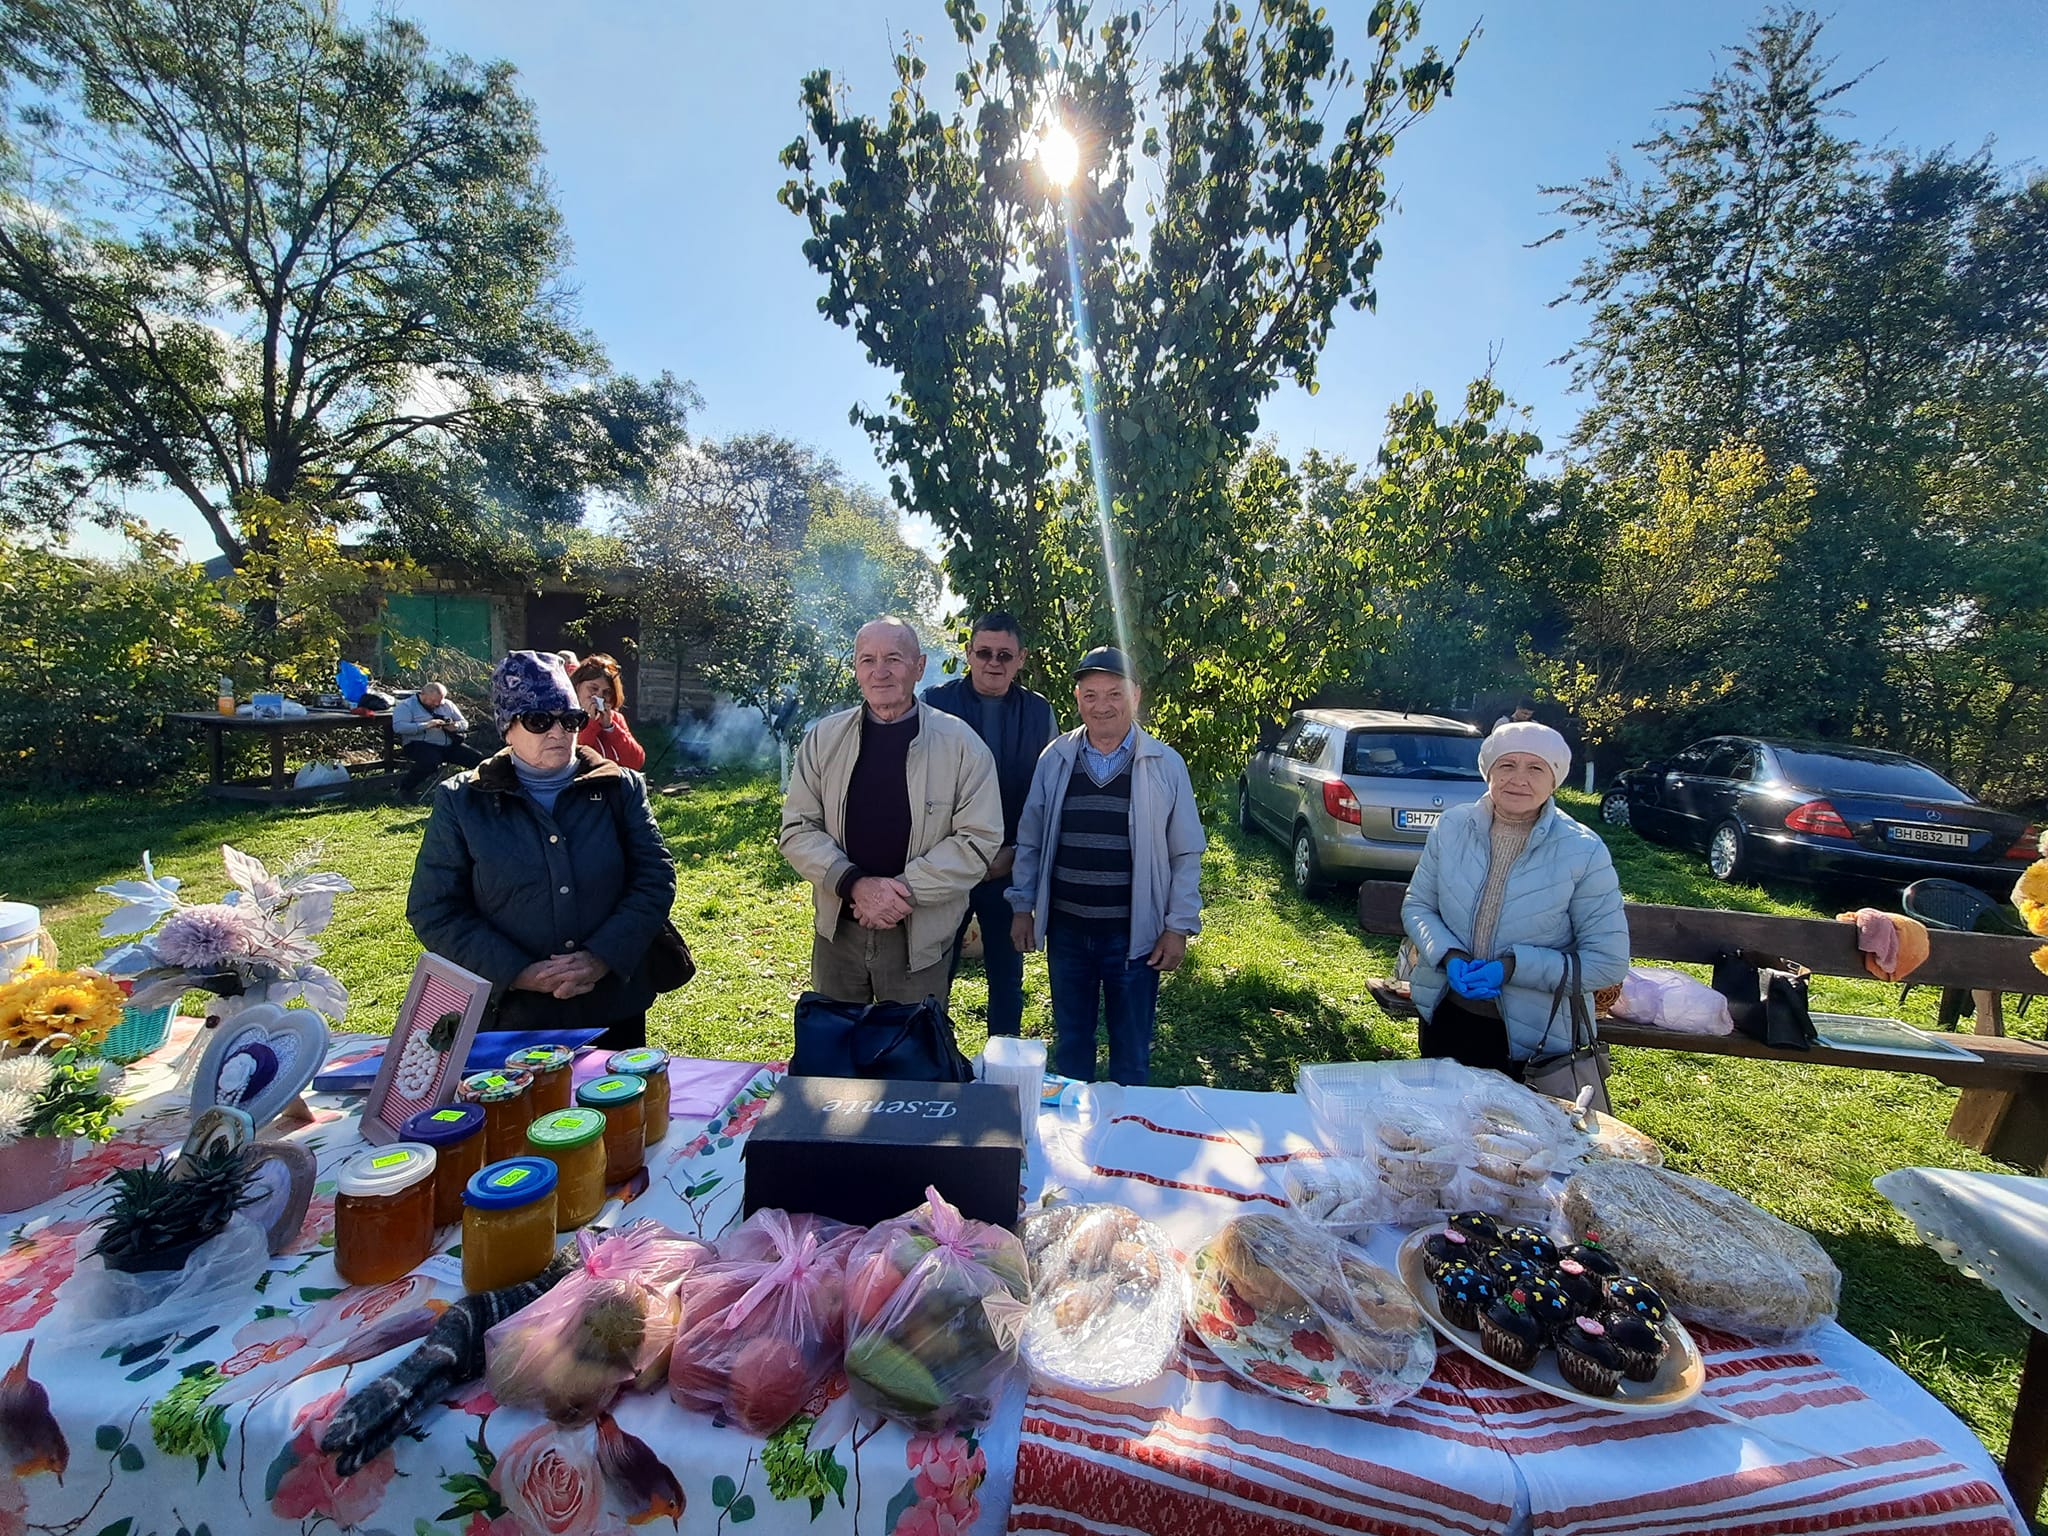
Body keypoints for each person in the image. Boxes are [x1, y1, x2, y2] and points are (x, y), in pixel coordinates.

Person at [407, 651, 678, 1051]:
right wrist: (517, 971)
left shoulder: (620, 788)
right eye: (538, 720)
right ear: (507, 729)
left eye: (570, 719)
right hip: (513, 1014)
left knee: (616, 1111)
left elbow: (654, 878)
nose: (558, 732)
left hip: (611, 1008)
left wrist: (601, 957)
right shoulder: (463, 801)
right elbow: (434, 908)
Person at [1007, 647, 1206, 1086]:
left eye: (1114, 694)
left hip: (1135, 937)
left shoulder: (1164, 764)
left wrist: (1178, 926)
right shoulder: (1055, 758)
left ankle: (1125, 1145)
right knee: (1072, 1046)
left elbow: (1186, 853)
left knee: (1131, 1055)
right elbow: (1031, 839)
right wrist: (1023, 906)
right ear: (1077, 699)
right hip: (1067, 933)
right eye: (1091, 694)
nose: (1103, 706)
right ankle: (1072, 1149)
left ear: (1134, 696)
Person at [780, 616, 1003, 1006]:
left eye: (893, 659)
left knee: (910, 1057)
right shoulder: (824, 739)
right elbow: (797, 829)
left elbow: (978, 839)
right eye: (867, 660)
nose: (879, 672)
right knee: (836, 1056)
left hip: (918, 939)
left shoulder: (962, 744)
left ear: (918, 666)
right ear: (855, 669)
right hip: (839, 934)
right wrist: (855, 885)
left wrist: (899, 892)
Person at [1401, 720, 1629, 1080]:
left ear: (1554, 780)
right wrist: (1450, 955)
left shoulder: (1583, 850)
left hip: (1538, 1040)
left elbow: (1607, 961)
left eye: (1536, 767)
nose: (1519, 779)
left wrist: (1510, 969)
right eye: (1506, 765)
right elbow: (1418, 906)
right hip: (1447, 1016)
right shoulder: (1452, 827)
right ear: (1488, 771)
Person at [923, 612, 1058, 1037]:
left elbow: (1046, 797)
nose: (993, 663)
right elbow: (915, 787)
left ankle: (1003, 1066)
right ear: (968, 654)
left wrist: (1017, 854)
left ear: (1021, 659)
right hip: (944, 866)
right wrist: (956, 858)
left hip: (1007, 868)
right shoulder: (933, 705)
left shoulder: (1039, 713)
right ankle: (930, 1058)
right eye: (983, 653)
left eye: (1005, 655)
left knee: (1006, 974)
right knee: (931, 974)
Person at [392, 682, 483, 793]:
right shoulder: (406, 706)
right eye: (433, 701)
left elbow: (464, 723)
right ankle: (405, 789)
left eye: (440, 701)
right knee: (430, 761)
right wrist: (426, 725)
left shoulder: (447, 704)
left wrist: (455, 726)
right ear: (423, 694)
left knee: (479, 760)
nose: (437, 704)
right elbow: (399, 727)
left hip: (448, 745)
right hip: (419, 745)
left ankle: (477, 791)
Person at [571, 653, 648, 769]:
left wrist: (610, 728)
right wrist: (590, 722)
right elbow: (576, 756)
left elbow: (636, 761)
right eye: (593, 688)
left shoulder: (615, 719)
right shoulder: (567, 717)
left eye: (606, 692)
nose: (599, 696)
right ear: (577, 687)